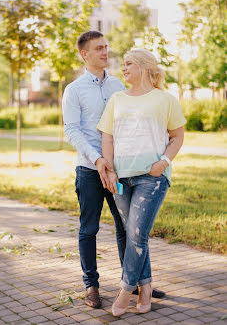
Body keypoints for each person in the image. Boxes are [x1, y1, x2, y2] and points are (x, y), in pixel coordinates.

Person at [62, 32, 165, 309]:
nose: (105, 52)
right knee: (89, 228)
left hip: (119, 171)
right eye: (99, 48)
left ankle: (133, 282)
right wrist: (97, 159)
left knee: (128, 228)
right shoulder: (74, 90)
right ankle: (91, 286)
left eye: (106, 47)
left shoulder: (119, 84)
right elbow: (71, 130)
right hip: (90, 170)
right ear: (85, 54)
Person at [97, 48, 186, 316]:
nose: (123, 69)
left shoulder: (165, 99)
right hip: (122, 177)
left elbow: (177, 136)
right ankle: (145, 288)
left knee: (136, 234)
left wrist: (164, 163)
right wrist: (110, 171)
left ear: (144, 67)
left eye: (128, 64)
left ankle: (125, 291)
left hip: (152, 176)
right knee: (137, 235)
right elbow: (108, 138)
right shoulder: (116, 99)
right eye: (123, 65)